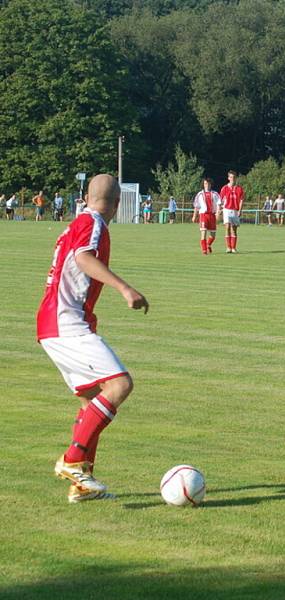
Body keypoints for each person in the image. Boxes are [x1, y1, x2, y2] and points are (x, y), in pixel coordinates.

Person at [37, 174, 149, 503]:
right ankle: (72, 462)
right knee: (119, 386)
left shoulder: (78, 222)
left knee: (90, 404)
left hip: (52, 324)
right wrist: (124, 288)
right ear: (117, 204)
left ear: (86, 195)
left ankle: (83, 484)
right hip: (67, 322)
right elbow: (83, 258)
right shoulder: (94, 223)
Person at [192, 177, 222, 254]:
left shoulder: (215, 194)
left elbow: (219, 204)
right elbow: (196, 206)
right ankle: (204, 250)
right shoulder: (200, 194)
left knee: (213, 235)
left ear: (210, 184)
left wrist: (218, 213)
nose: (207, 185)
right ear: (203, 184)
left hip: (212, 215)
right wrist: (194, 216)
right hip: (203, 215)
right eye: (205, 183)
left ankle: (208, 245)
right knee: (203, 232)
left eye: (208, 184)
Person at [220, 171, 245, 252]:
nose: (232, 179)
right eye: (231, 177)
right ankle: (228, 247)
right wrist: (220, 209)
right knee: (227, 227)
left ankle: (233, 248)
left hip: (235, 210)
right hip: (227, 209)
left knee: (234, 229)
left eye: (234, 177)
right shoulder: (224, 188)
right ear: (228, 178)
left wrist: (240, 210)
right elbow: (221, 200)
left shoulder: (239, 188)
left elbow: (241, 200)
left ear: (236, 178)